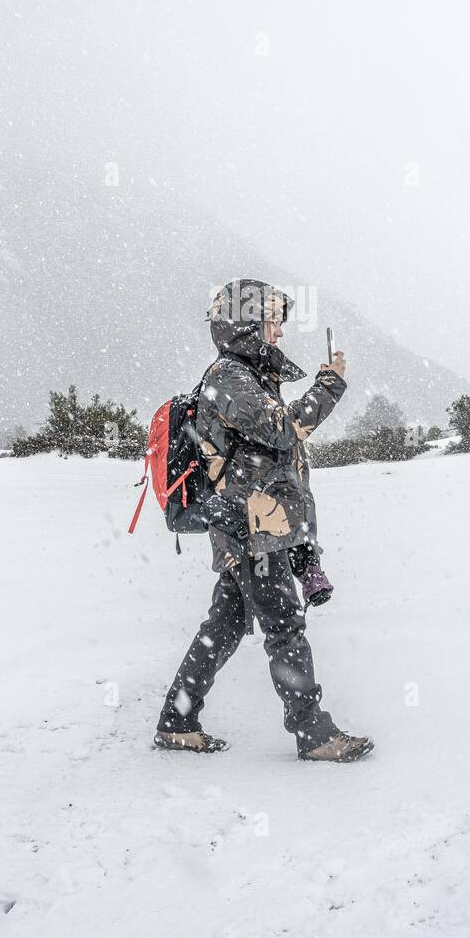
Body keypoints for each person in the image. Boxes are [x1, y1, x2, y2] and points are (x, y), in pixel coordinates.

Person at [155, 278, 374, 762]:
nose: (278, 331)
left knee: (226, 624)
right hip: (249, 530)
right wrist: (330, 383)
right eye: (271, 320)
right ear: (244, 324)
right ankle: (313, 733)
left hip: (256, 527)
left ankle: (177, 721)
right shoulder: (228, 378)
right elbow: (283, 430)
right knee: (285, 627)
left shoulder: (250, 376)